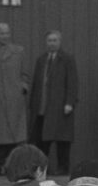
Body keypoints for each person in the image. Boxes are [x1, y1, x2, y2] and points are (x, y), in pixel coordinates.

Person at [28, 30, 78, 177]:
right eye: (49, 40)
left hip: (61, 106)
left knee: (62, 140)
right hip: (42, 107)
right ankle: (43, 169)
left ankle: (63, 168)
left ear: (60, 42)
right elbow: (36, 83)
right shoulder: (41, 59)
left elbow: (73, 82)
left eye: (55, 40)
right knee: (42, 141)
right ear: (46, 42)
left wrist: (70, 102)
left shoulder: (67, 59)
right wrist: (33, 105)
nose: (52, 43)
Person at [0, 21, 30, 173]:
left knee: (17, 136)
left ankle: (16, 168)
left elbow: (25, 74)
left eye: (7, 33)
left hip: (15, 100)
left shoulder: (19, 51)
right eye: (2, 33)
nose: (5, 36)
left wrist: (23, 86)